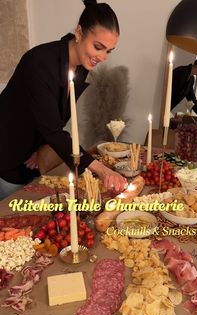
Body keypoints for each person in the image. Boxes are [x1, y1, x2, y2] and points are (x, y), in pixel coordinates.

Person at [0, 0, 127, 200]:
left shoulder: (82, 66)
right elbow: (51, 128)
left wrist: (46, 142)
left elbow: (53, 117)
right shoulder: (39, 62)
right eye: (98, 47)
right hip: (8, 156)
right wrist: (101, 169)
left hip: (33, 157)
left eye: (108, 51)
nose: (103, 57)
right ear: (78, 32)